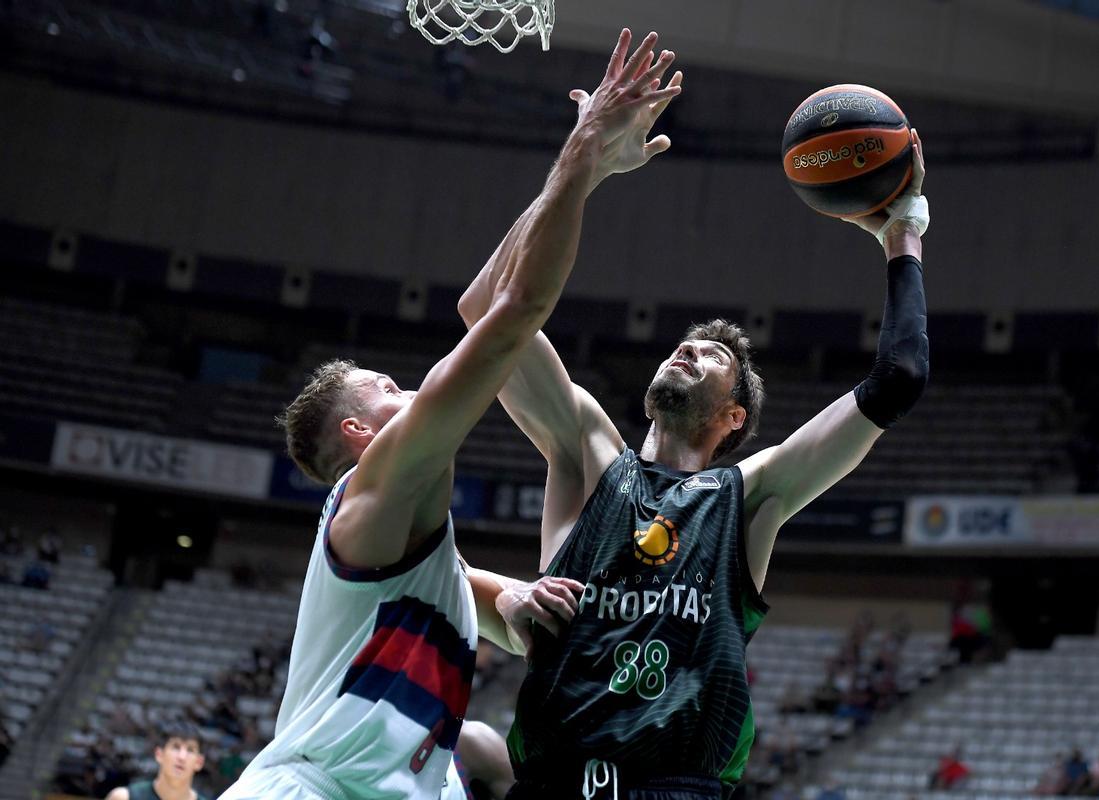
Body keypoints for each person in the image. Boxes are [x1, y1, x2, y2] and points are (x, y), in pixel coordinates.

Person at [220, 28, 681, 800]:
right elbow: (513, 311)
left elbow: (484, 601)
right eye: (391, 390)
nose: (415, 394)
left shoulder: (409, 553)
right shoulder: (377, 487)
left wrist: (522, 600)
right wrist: (583, 154)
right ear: (361, 436)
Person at [459, 116, 931, 796]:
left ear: (733, 417)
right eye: (684, 344)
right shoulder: (588, 452)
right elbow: (486, 311)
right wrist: (581, 167)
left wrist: (902, 232)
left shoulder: (751, 496)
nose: (688, 349)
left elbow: (900, 379)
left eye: (713, 356)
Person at [105, 722, 208, 800]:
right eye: (176, 747)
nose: (182, 757)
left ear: (199, 762)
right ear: (159, 754)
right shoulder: (124, 797)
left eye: (190, 750)